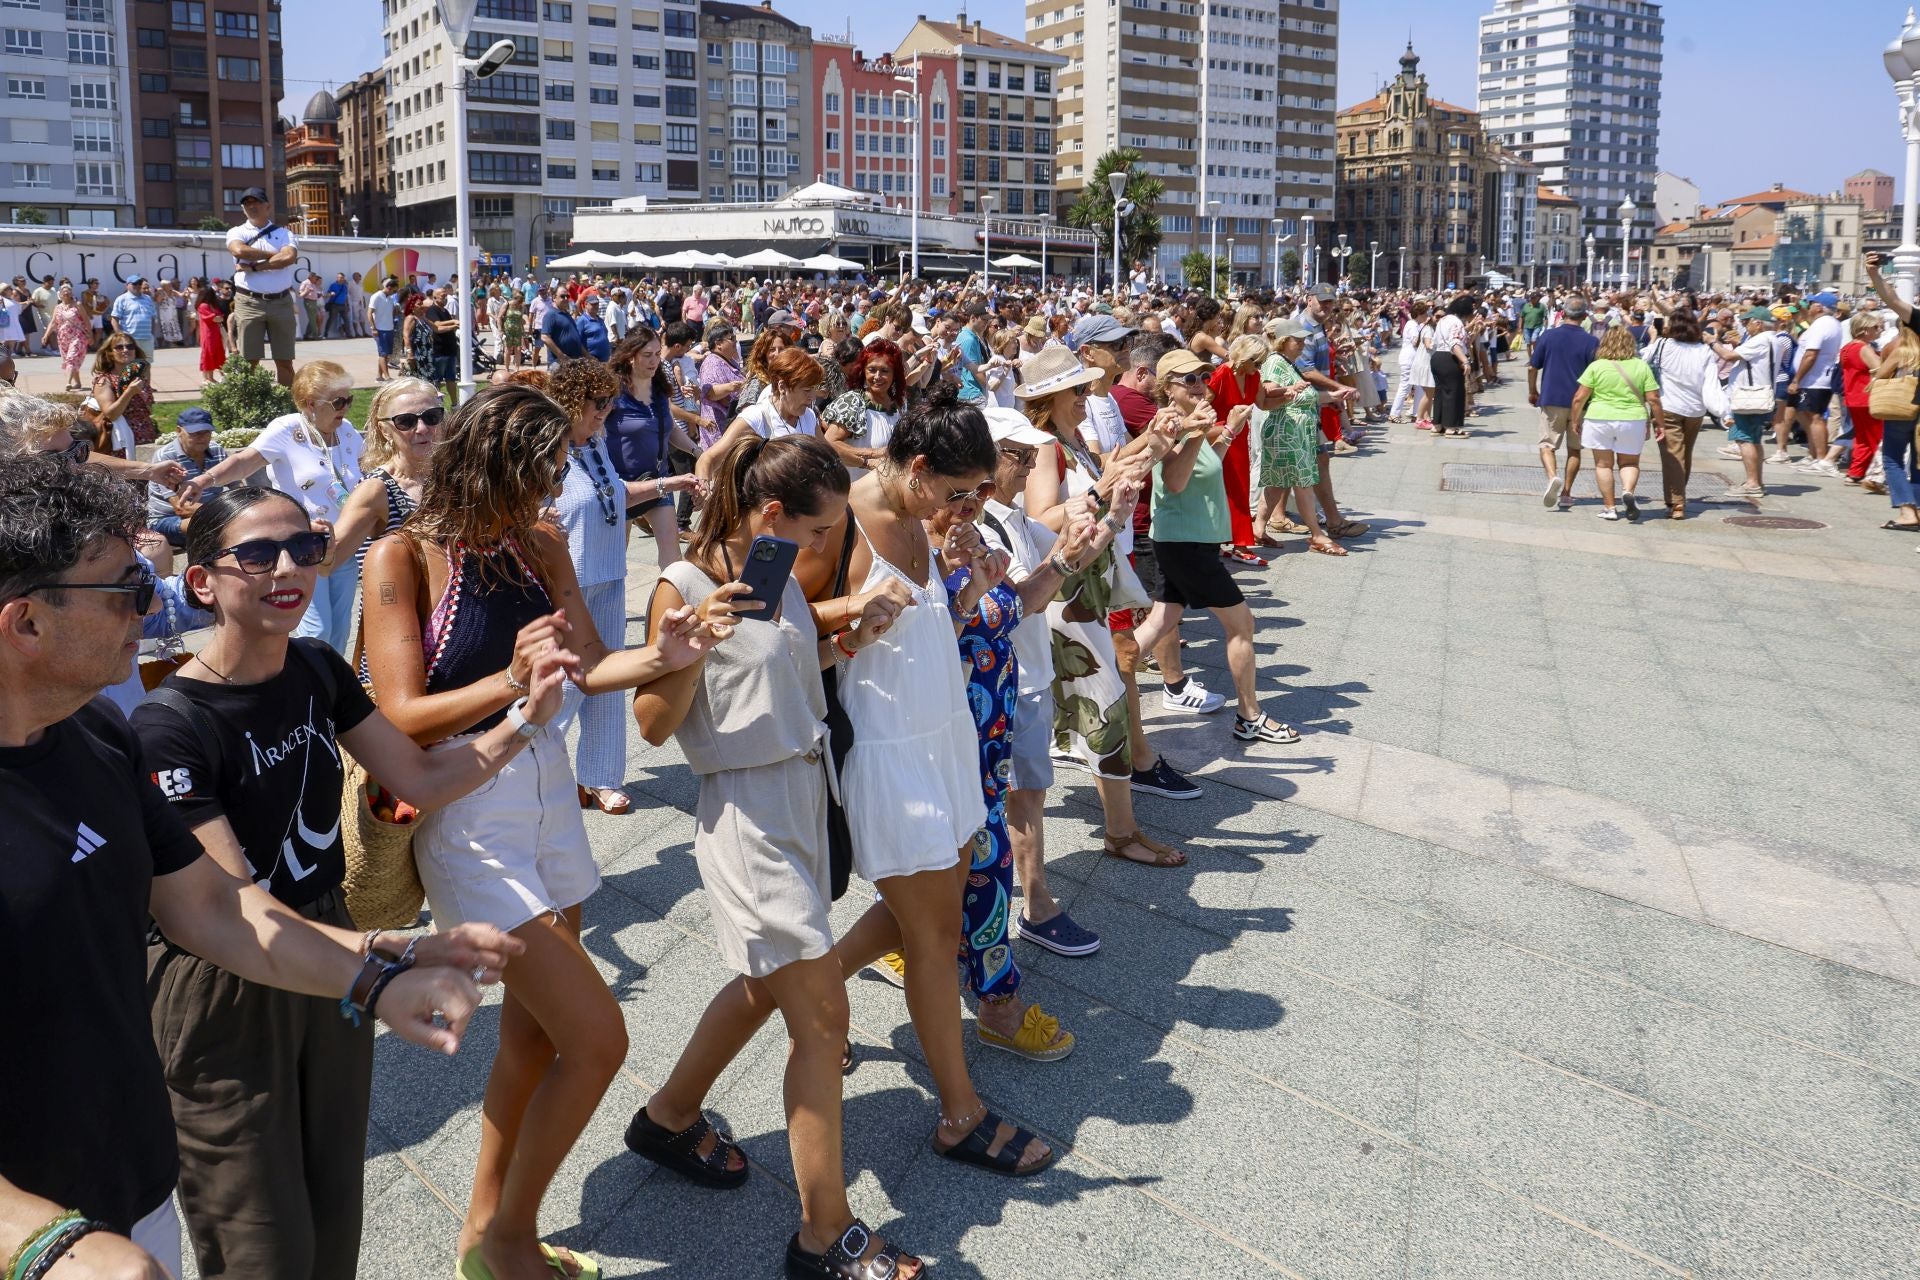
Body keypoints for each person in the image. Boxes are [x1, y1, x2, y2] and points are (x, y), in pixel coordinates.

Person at [0, 449, 484, 1280]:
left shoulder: (101, 738)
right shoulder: (157, 724)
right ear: (26, 622)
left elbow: (218, 909)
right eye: (124, 588)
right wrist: (38, 1241)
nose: (145, 608)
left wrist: (370, 973)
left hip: (133, 1180)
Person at [132, 486, 553, 1280]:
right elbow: (231, 909)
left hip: (327, 944)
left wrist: (525, 715)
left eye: (305, 545)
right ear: (202, 584)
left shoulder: (317, 666)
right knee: (262, 1241)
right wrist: (384, 955)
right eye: (257, 554)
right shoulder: (168, 726)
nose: (287, 567)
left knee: (334, 1211)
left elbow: (420, 776)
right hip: (226, 979)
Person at [360, 384, 731, 1280]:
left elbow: (596, 664)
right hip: (464, 802)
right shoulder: (401, 556)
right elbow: (401, 710)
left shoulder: (540, 540)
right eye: (539, 475)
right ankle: (510, 1242)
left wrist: (670, 655)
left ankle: (483, 1229)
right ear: (486, 465)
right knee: (600, 1040)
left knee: (532, 1037)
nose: (552, 491)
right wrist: (514, 685)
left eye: (558, 473)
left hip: (546, 787)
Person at [630, 432, 927, 1280]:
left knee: (768, 983)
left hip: (802, 791)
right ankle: (823, 1237)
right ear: (771, 513)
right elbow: (653, 724)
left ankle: (667, 1115)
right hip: (746, 811)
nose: (830, 543)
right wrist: (693, 647)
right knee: (823, 1016)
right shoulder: (686, 586)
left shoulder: (774, 573)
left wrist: (852, 636)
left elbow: (782, 674)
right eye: (822, 527)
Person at [795, 389, 1062, 1173]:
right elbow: (772, 621)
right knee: (935, 935)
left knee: (927, 911)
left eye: (977, 491)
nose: (972, 505)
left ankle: (816, 1002)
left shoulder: (923, 518)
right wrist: (854, 603)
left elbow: (923, 628)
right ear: (917, 468)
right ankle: (959, 1112)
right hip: (890, 750)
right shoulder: (841, 521)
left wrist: (964, 589)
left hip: (948, 740)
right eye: (960, 490)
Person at [1016, 347, 1191, 866]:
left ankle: (1118, 827)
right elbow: (1040, 519)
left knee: (1095, 701)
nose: (1087, 394)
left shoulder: (1069, 439)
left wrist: (1159, 439)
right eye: (1077, 389)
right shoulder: (1045, 446)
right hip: (1065, 594)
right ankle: (1121, 832)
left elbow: (1115, 468)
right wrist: (1100, 489)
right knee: (1107, 701)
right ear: (1051, 398)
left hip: (1082, 588)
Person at [976, 407, 1105, 957]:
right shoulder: (973, 525)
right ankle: (1034, 906)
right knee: (1010, 800)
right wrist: (1070, 555)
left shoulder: (1005, 514)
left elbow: (1063, 557)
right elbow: (1027, 597)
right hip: (1005, 680)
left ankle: (1031, 902)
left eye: (1033, 456)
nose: (1030, 468)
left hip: (1025, 675)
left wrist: (1109, 520)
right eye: (1018, 456)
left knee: (1025, 794)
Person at [1131, 348, 1298, 743]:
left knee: (1158, 623)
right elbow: (1173, 480)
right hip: (1183, 542)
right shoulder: (1169, 422)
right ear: (1167, 388)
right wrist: (1192, 430)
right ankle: (1249, 715)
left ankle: (1095, 688)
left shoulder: (1190, 421)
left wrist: (1228, 432)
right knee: (1242, 624)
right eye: (1189, 379)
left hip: (1189, 541)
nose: (1200, 385)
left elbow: (1202, 467)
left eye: (1203, 378)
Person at [181, 361, 365, 652]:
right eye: (338, 401)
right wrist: (204, 480)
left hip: (343, 543)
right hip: (304, 546)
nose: (346, 407)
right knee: (318, 629)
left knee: (341, 627)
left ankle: (333, 689)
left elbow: (369, 468)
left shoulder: (348, 432)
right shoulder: (288, 429)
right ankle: (306, 687)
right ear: (310, 404)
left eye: (349, 399)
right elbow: (244, 461)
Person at [546, 358, 646, 816]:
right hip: (569, 578)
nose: (606, 410)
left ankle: (600, 778)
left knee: (608, 680)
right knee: (566, 682)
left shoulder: (595, 443)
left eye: (610, 401)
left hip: (609, 571)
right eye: (597, 402)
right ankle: (539, 769)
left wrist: (669, 482)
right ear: (571, 402)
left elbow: (614, 493)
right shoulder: (549, 451)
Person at [325, 376, 443, 656]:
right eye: (406, 421)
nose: (422, 428)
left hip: (456, 628)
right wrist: (318, 541)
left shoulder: (456, 477)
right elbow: (329, 561)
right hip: (402, 634)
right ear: (385, 430)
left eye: (432, 416)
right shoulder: (376, 490)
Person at [605, 329, 702, 569]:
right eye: (647, 354)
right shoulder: (612, 392)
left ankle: (670, 601)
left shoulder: (658, 388)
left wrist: (698, 452)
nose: (654, 360)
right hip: (622, 485)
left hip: (658, 480)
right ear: (630, 356)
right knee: (615, 560)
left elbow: (670, 429)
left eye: (658, 354)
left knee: (673, 558)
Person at [1256, 319, 1341, 555]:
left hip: (1292, 431)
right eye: (1298, 340)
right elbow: (1267, 390)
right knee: (1302, 482)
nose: (1302, 344)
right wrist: (1288, 390)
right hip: (1287, 431)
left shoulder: (1289, 362)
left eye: (1304, 339)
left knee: (1276, 481)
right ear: (1284, 341)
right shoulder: (1276, 361)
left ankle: (1259, 528)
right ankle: (1316, 535)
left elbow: (1306, 396)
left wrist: (1334, 395)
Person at [1570, 325, 1665, 522]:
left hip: (1599, 418)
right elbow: (1654, 398)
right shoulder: (1640, 366)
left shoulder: (1597, 366)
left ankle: (1610, 508)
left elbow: (1579, 397)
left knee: (1603, 465)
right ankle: (1628, 490)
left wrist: (1575, 419)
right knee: (1629, 462)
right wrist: (1660, 423)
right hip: (1632, 419)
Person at [1642, 310, 1719, 519]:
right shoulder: (1704, 351)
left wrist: (1653, 338)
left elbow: (1643, 360)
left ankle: (1677, 503)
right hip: (1695, 409)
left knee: (1673, 456)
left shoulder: (1663, 345)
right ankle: (1674, 499)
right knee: (1684, 454)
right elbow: (1711, 382)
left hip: (1668, 406)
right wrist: (1721, 408)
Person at [700, 348, 823, 476]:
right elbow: (708, 459)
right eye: (807, 390)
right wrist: (703, 487)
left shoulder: (808, 416)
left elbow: (827, 455)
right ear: (782, 387)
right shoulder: (756, 417)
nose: (813, 397)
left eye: (814, 389)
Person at [225, 187, 300, 386]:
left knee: (285, 360)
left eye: (256, 202)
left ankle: (287, 402)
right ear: (243, 208)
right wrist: (275, 255)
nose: (251, 206)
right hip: (249, 301)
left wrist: (256, 267)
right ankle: (250, 407)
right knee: (249, 360)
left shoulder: (284, 232)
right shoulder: (236, 231)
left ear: (268, 206)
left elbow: (289, 257)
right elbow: (239, 249)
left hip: (281, 301)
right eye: (247, 203)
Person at [1528, 296, 1597, 509]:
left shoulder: (1548, 336)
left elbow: (1532, 367)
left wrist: (1533, 391)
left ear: (1563, 313)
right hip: (1580, 402)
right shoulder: (1592, 342)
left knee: (1547, 445)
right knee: (1575, 449)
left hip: (1552, 398)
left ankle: (1552, 477)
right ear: (1585, 316)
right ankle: (1566, 493)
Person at [1206, 334, 1269, 562]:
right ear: (1246, 357)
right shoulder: (1222, 373)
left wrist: (1292, 395)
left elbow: (1264, 402)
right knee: (1223, 489)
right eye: (1257, 361)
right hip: (1219, 436)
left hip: (1239, 438)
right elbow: (1203, 404)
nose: (1259, 366)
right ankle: (1236, 544)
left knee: (1238, 489)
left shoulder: (1254, 376)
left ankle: (1235, 542)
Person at [1712, 307, 1779, 497]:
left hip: (1748, 396)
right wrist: (1739, 343)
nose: (1744, 325)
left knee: (1744, 439)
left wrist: (1712, 342)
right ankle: (1757, 481)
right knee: (1754, 439)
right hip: (1760, 395)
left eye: (1747, 322)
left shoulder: (1760, 340)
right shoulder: (1774, 339)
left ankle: (1752, 484)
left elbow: (1728, 356)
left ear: (1758, 323)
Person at [821, 338, 905, 475]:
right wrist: (871, 456)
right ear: (863, 372)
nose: (877, 376)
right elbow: (830, 443)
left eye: (885, 371)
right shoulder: (853, 401)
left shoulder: (898, 406)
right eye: (872, 370)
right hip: (854, 491)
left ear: (894, 375)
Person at [1866, 320, 1920, 529]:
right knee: (1917, 461)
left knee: (1892, 459)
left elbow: (1880, 375)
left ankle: (1907, 511)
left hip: (1901, 409)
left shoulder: (1903, 351)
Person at [147, 408, 227, 549]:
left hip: (212, 517)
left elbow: (237, 486)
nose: (202, 437)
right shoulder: (165, 456)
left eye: (206, 432)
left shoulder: (217, 451)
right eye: (195, 433)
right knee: (216, 530)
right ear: (179, 431)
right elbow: (180, 508)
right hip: (166, 520)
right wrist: (222, 513)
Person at [1783, 291, 1841, 474]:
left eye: (1810, 304)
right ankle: (1813, 453)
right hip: (1813, 379)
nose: (1807, 308)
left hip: (1814, 379)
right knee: (1804, 415)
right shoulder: (1827, 323)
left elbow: (1811, 355)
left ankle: (1822, 459)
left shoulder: (1822, 325)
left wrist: (1797, 379)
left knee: (1814, 417)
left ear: (1818, 307)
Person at [1839, 312, 1886, 488]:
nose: (1879, 330)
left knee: (1863, 437)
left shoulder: (1847, 348)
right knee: (1877, 437)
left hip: (1854, 397)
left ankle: (1856, 472)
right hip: (1868, 397)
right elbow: (1880, 369)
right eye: (1875, 327)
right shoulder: (1864, 348)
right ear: (1865, 329)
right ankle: (1875, 475)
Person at [92, 331, 158, 452]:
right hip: (121, 441)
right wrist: (129, 393)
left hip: (147, 435)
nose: (125, 350)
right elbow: (110, 414)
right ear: (110, 353)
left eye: (130, 346)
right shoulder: (104, 381)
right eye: (119, 347)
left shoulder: (142, 375)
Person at [1430, 296, 1473, 437]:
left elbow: (1435, 341)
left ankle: (1437, 425)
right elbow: (1454, 344)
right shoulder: (1456, 322)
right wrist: (1464, 361)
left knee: (1441, 392)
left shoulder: (1443, 319)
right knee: (1454, 392)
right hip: (1451, 359)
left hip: (1437, 357)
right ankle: (1451, 427)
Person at [52, 281, 91, 391]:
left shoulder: (77, 305)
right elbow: (53, 322)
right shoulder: (58, 307)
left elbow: (86, 320)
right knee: (70, 361)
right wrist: (46, 335)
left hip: (78, 336)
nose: (66, 295)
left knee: (71, 358)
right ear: (60, 295)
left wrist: (90, 335)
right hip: (63, 337)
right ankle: (77, 383)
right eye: (64, 293)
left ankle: (68, 382)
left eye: (68, 293)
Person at [110, 277, 159, 360]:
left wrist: (152, 335)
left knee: (146, 365)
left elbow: (153, 318)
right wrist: (121, 337)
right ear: (127, 285)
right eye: (134, 284)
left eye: (139, 284)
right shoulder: (121, 299)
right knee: (130, 366)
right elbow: (114, 319)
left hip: (147, 339)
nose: (137, 286)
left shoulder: (148, 299)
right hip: (130, 340)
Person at [539, 295, 588, 367]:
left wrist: (587, 355)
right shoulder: (551, 314)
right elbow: (545, 337)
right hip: (559, 363)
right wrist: (561, 355)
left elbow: (576, 339)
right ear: (554, 298)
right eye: (562, 296)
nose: (566, 298)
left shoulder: (566, 315)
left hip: (574, 361)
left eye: (567, 296)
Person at [369, 276, 401, 381]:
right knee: (383, 354)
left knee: (385, 354)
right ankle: (387, 377)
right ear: (388, 287)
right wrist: (374, 328)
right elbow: (369, 313)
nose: (394, 292)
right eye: (393, 290)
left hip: (389, 328)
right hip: (380, 329)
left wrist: (396, 309)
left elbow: (392, 313)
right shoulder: (376, 296)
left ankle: (379, 375)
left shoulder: (391, 298)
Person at [195, 284, 227, 384]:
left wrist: (217, 318)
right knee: (208, 354)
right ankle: (207, 378)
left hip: (215, 333)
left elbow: (220, 317)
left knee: (215, 354)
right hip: (208, 334)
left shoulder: (211, 305)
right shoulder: (203, 306)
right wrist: (217, 318)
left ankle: (211, 377)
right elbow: (214, 318)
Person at [575, 296, 612, 362]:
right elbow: (577, 342)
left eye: (597, 304)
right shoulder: (582, 321)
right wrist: (588, 356)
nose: (595, 306)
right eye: (593, 304)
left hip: (605, 359)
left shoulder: (600, 319)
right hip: (592, 360)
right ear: (586, 305)